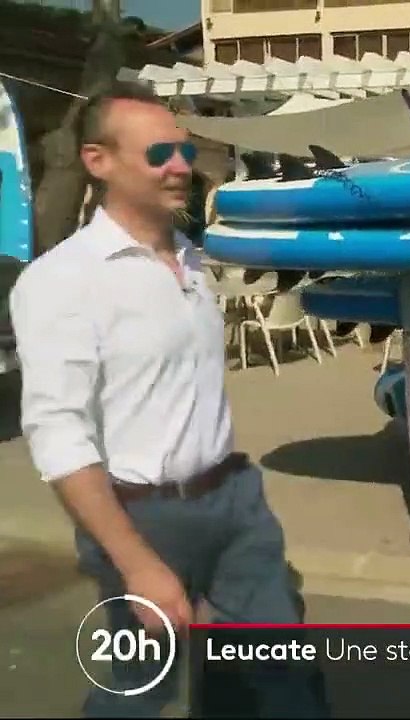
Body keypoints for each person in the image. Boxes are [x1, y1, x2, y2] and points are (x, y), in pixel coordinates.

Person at [8, 81, 323, 717]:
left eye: (182, 152)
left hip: (235, 501)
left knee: (279, 678)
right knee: (139, 692)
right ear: (98, 162)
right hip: (141, 516)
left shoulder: (189, 258)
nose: (181, 167)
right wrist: (138, 564)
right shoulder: (62, 281)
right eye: (159, 155)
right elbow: (58, 434)